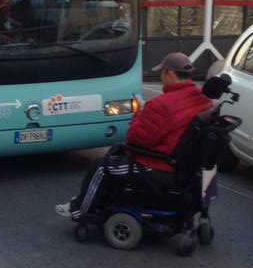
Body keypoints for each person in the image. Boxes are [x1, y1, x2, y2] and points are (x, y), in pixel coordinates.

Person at [55, 52, 213, 219]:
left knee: (101, 167)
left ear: (169, 73)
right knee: (116, 153)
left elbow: (137, 138)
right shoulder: (202, 100)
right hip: (184, 164)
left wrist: (139, 113)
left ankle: (80, 210)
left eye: (162, 72)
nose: (161, 76)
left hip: (159, 164)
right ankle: (96, 200)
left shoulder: (162, 105)